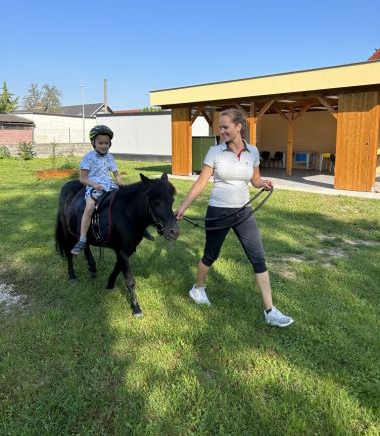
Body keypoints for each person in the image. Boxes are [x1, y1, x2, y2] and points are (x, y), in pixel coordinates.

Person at [175, 109, 293, 327]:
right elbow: (201, 182)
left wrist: (263, 183)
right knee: (210, 255)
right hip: (219, 211)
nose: (221, 131)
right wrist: (183, 207)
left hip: (243, 212)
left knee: (258, 258)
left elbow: (254, 180)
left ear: (239, 127)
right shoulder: (215, 152)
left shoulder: (253, 152)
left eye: (225, 127)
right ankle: (198, 288)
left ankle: (270, 311)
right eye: (220, 127)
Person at [71, 125, 153, 255]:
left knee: (129, 202)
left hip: (110, 186)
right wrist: (94, 184)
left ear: (110, 144)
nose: (103, 146)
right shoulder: (88, 158)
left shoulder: (110, 157)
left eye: (106, 143)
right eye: (100, 143)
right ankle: (82, 239)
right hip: (94, 187)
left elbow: (116, 173)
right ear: (93, 143)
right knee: (89, 207)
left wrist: (119, 181)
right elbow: (82, 178)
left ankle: (141, 229)